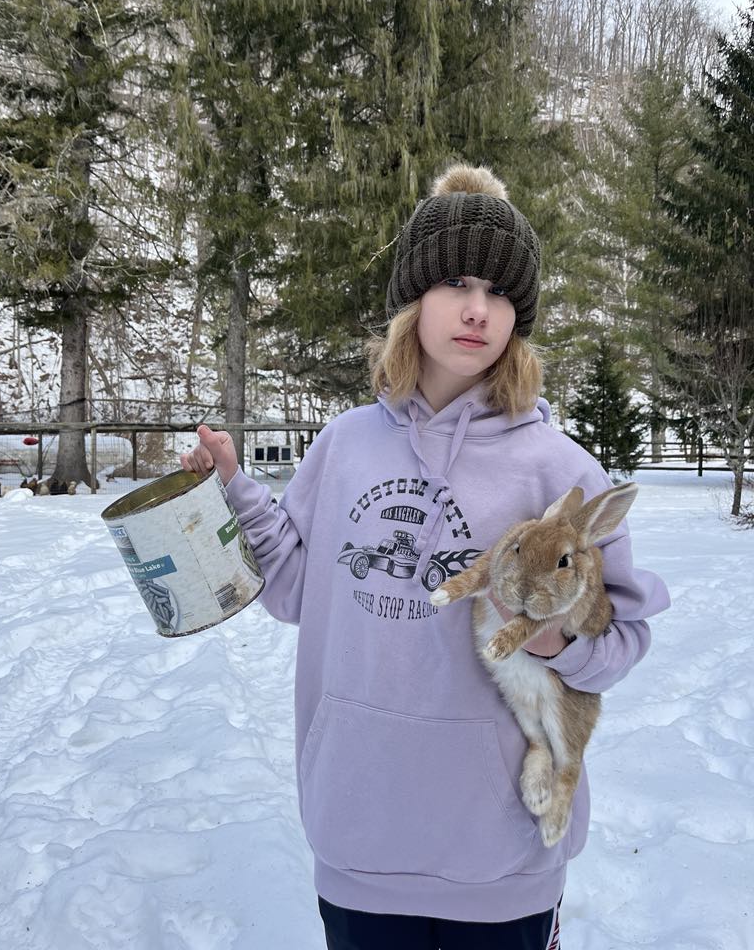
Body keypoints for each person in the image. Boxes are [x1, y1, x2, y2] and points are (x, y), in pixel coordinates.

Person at [181, 163, 670, 950]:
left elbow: (622, 641)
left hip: (503, 859)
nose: (479, 310)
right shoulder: (345, 445)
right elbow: (296, 591)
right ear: (414, 299)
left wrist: (552, 640)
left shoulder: (562, 471)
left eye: (501, 293)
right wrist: (236, 486)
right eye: (457, 283)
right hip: (361, 837)